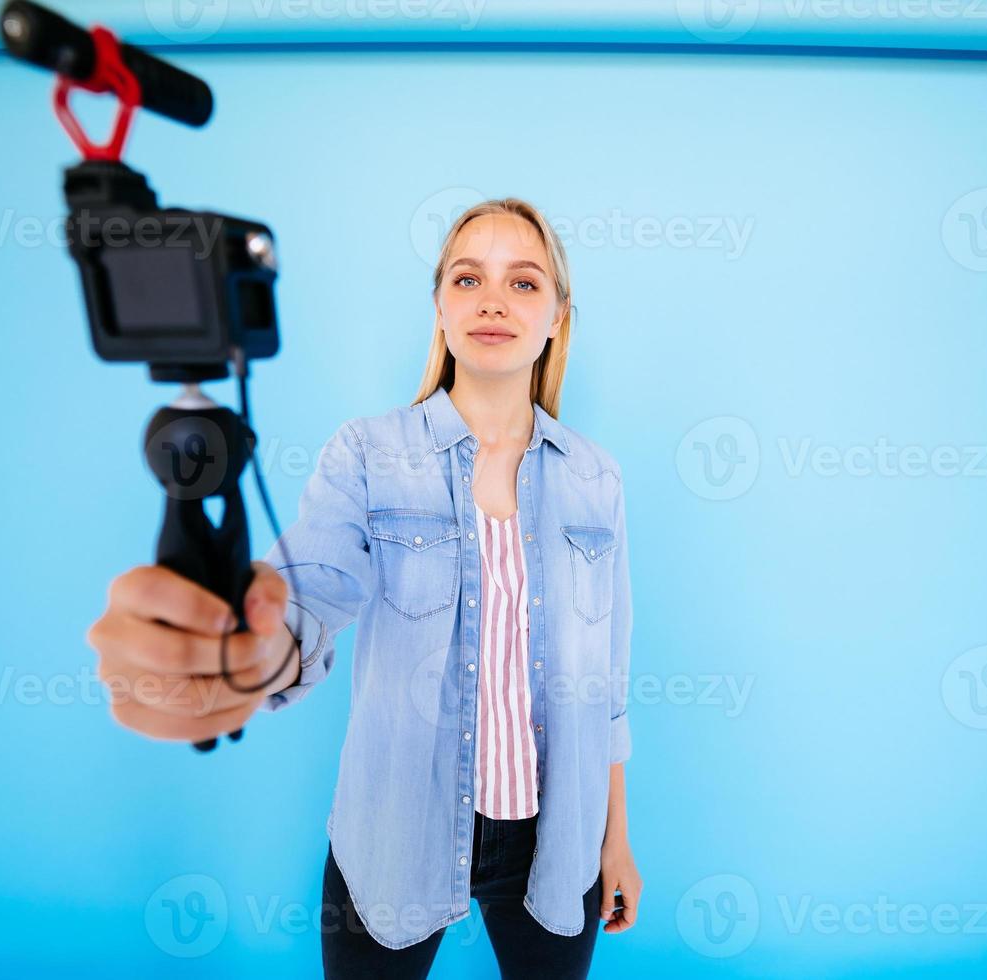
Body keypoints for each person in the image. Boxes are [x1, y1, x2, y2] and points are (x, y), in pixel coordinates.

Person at [88, 198, 641, 978]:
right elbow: (308, 588)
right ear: (441, 309)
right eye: (466, 277)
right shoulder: (369, 454)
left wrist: (615, 841)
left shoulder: (597, 477)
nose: (492, 299)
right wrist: (240, 655)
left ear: (556, 316)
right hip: (395, 831)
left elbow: (607, 686)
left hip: (558, 844)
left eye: (523, 282)